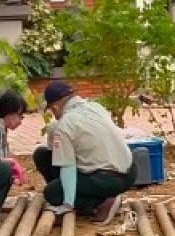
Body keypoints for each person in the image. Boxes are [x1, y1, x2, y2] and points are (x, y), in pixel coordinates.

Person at [33, 80, 134, 224]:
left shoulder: (65, 124)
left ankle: (102, 202)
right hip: (130, 172)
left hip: (106, 179)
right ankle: (95, 195)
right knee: (42, 154)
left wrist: (67, 203)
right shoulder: (96, 107)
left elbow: (68, 167)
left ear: (55, 108)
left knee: (52, 194)